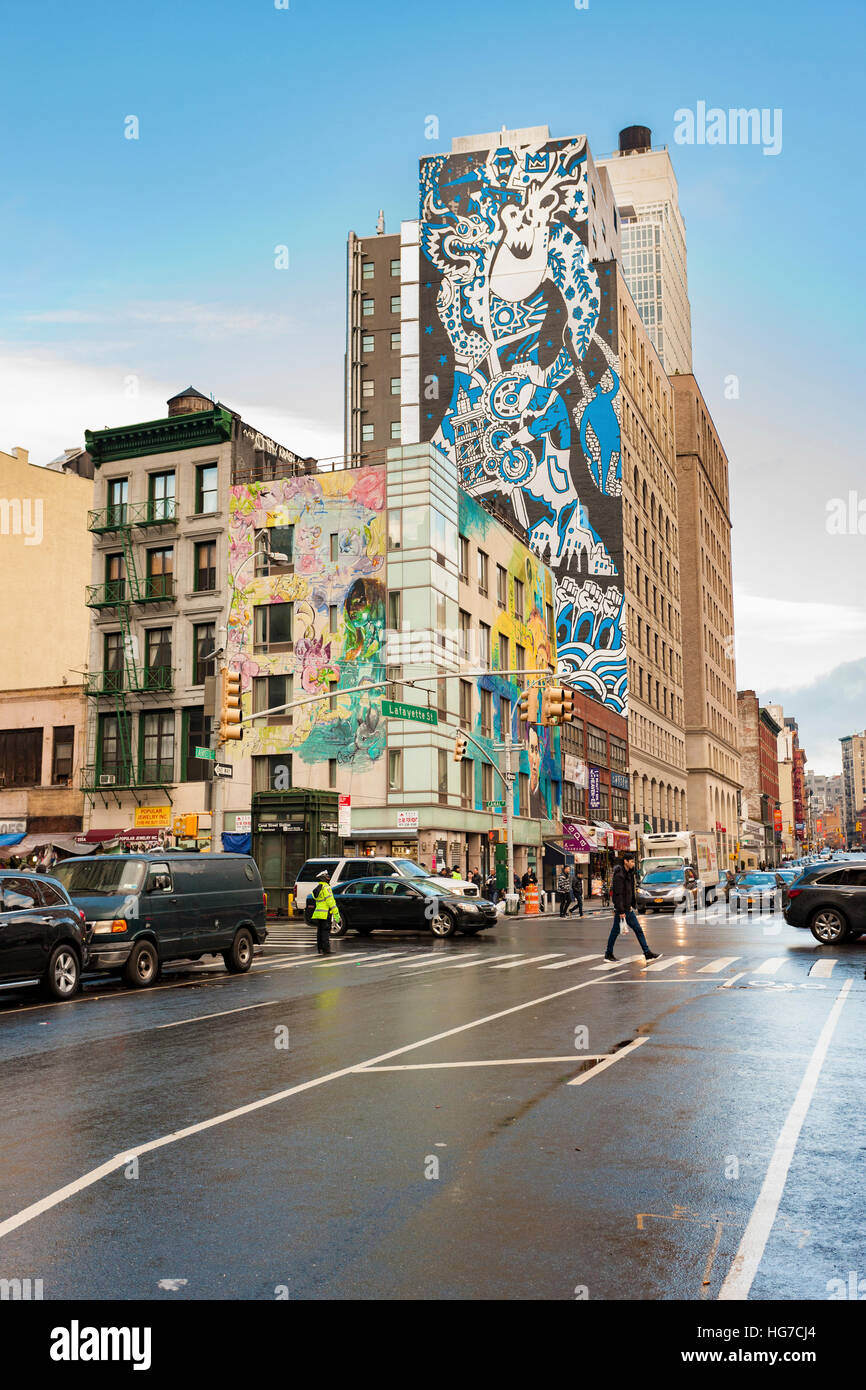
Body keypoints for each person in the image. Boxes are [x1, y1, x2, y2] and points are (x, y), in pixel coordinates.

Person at [605, 853, 661, 964]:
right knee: (632, 930)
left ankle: (609, 953)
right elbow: (618, 894)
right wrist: (621, 911)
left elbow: (629, 891)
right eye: (631, 861)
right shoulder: (619, 875)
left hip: (627, 908)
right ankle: (646, 953)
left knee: (620, 931)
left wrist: (632, 904)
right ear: (625, 861)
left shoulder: (629, 873)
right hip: (623, 910)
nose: (633, 863)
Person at [310, 870, 339, 956]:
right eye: (327, 876)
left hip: (318, 913)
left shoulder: (318, 887)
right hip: (325, 913)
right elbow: (331, 901)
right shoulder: (326, 888)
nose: (328, 877)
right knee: (325, 931)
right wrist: (336, 913)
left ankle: (320, 949)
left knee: (320, 932)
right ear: (323, 878)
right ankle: (326, 950)